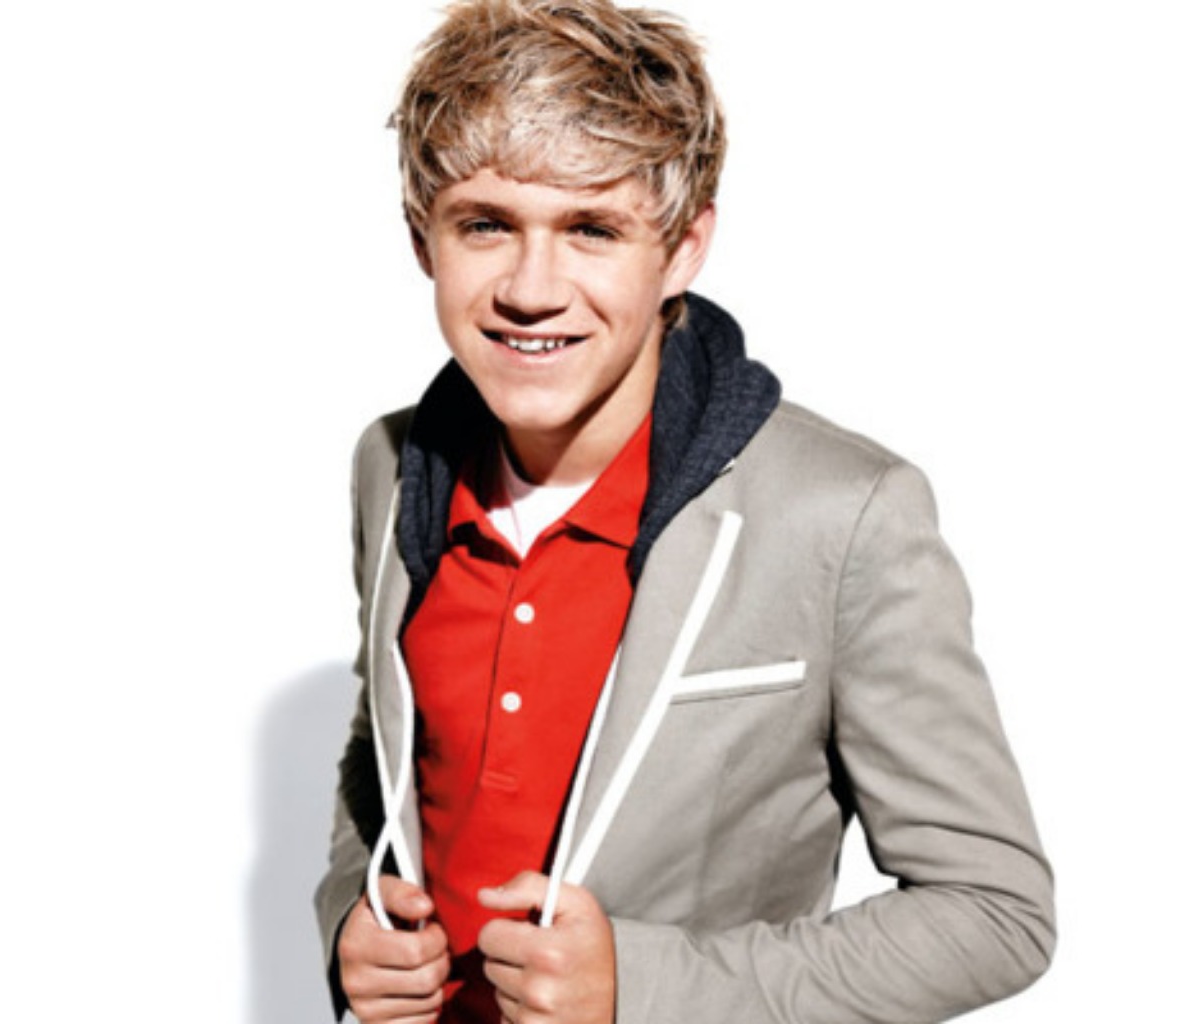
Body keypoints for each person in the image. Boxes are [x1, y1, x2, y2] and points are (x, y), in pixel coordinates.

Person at [315, 1, 1055, 1021]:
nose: (531, 288)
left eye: (591, 229)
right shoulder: (392, 466)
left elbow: (994, 913)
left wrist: (649, 987)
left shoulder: (843, 516)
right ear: (422, 239)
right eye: (485, 225)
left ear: (683, 248)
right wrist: (347, 921)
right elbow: (385, 753)